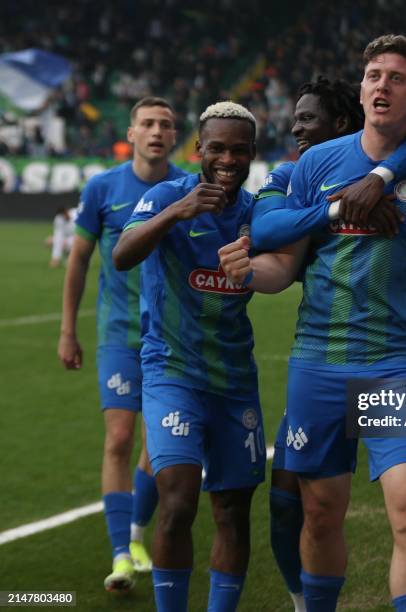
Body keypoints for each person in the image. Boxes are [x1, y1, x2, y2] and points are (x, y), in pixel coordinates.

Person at [220, 34, 406, 612]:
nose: (382, 85)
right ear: (361, 87)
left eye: (396, 78)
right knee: (320, 515)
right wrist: (247, 273)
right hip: (317, 363)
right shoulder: (317, 165)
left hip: (397, 365)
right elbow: (284, 265)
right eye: (374, 74)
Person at [251, 77, 406, 612]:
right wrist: (337, 207)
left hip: (392, 363)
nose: (295, 128)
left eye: (308, 119)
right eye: (296, 118)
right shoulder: (294, 173)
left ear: (345, 127)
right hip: (320, 360)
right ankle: (305, 602)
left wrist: (377, 177)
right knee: (292, 506)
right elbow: (267, 227)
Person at [111, 101, 270, 612]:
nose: (227, 158)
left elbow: (288, 265)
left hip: (234, 379)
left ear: (252, 154)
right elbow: (123, 254)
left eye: (238, 150)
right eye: (217, 148)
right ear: (199, 149)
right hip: (171, 371)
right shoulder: (166, 195)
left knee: (231, 511)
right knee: (177, 503)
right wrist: (175, 213)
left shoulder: (257, 213)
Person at [58, 96, 185, 592]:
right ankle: (121, 552)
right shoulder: (102, 188)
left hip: (169, 338)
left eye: (166, 124)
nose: (157, 131)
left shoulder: (185, 188)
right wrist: (68, 330)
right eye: (148, 123)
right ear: (130, 133)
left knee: (158, 448)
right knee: (118, 438)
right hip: (118, 334)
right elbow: (79, 261)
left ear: (175, 137)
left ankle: (135, 535)